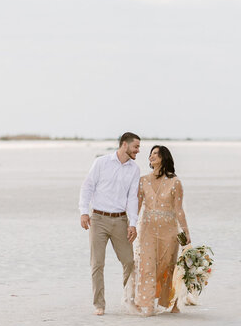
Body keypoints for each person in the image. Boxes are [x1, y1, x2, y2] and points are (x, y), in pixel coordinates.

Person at [79, 132, 141, 315]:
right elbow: (87, 186)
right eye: (135, 146)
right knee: (97, 263)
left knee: (129, 261)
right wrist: (83, 212)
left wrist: (133, 223)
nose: (138, 150)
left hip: (121, 220)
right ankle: (99, 304)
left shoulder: (134, 169)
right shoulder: (101, 163)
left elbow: (132, 198)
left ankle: (129, 299)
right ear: (124, 145)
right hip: (98, 219)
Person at [132, 145, 191, 315]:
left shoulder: (175, 182)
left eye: (156, 154)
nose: (151, 156)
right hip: (148, 229)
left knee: (167, 266)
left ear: (164, 157)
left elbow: (179, 209)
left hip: (169, 230)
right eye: (150, 154)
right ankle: (148, 304)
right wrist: (131, 225)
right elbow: (137, 206)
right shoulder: (143, 180)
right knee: (147, 265)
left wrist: (186, 231)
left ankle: (170, 302)